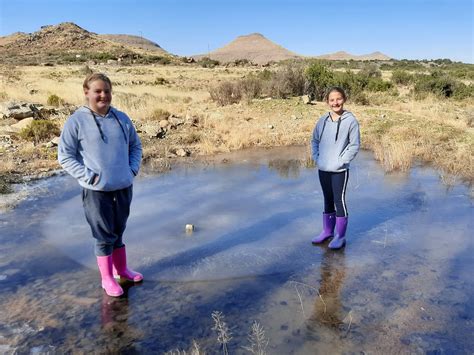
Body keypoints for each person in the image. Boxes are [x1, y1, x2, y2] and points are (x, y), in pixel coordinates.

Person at [58, 73, 143, 297]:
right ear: (87, 93)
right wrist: (88, 177)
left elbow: (136, 147)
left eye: (106, 90)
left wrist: (131, 170)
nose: (103, 95)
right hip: (96, 191)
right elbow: (65, 156)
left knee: (119, 231)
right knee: (103, 235)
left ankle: (121, 269)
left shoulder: (122, 118)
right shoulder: (76, 121)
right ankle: (107, 278)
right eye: (98, 91)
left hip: (123, 186)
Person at [311, 87, 360, 249]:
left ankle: (340, 236)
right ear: (327, 102)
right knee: (327, 200)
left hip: (339, 170)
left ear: (344, 99)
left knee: (339, 201)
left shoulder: (350, 121)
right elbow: (314, 140)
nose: (335, 103)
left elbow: (354, 145)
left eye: (338, 99)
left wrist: (341, 161)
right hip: (323, 168)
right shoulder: (322, 120)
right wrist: (317, 158)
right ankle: (327, 231)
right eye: (332, 100)